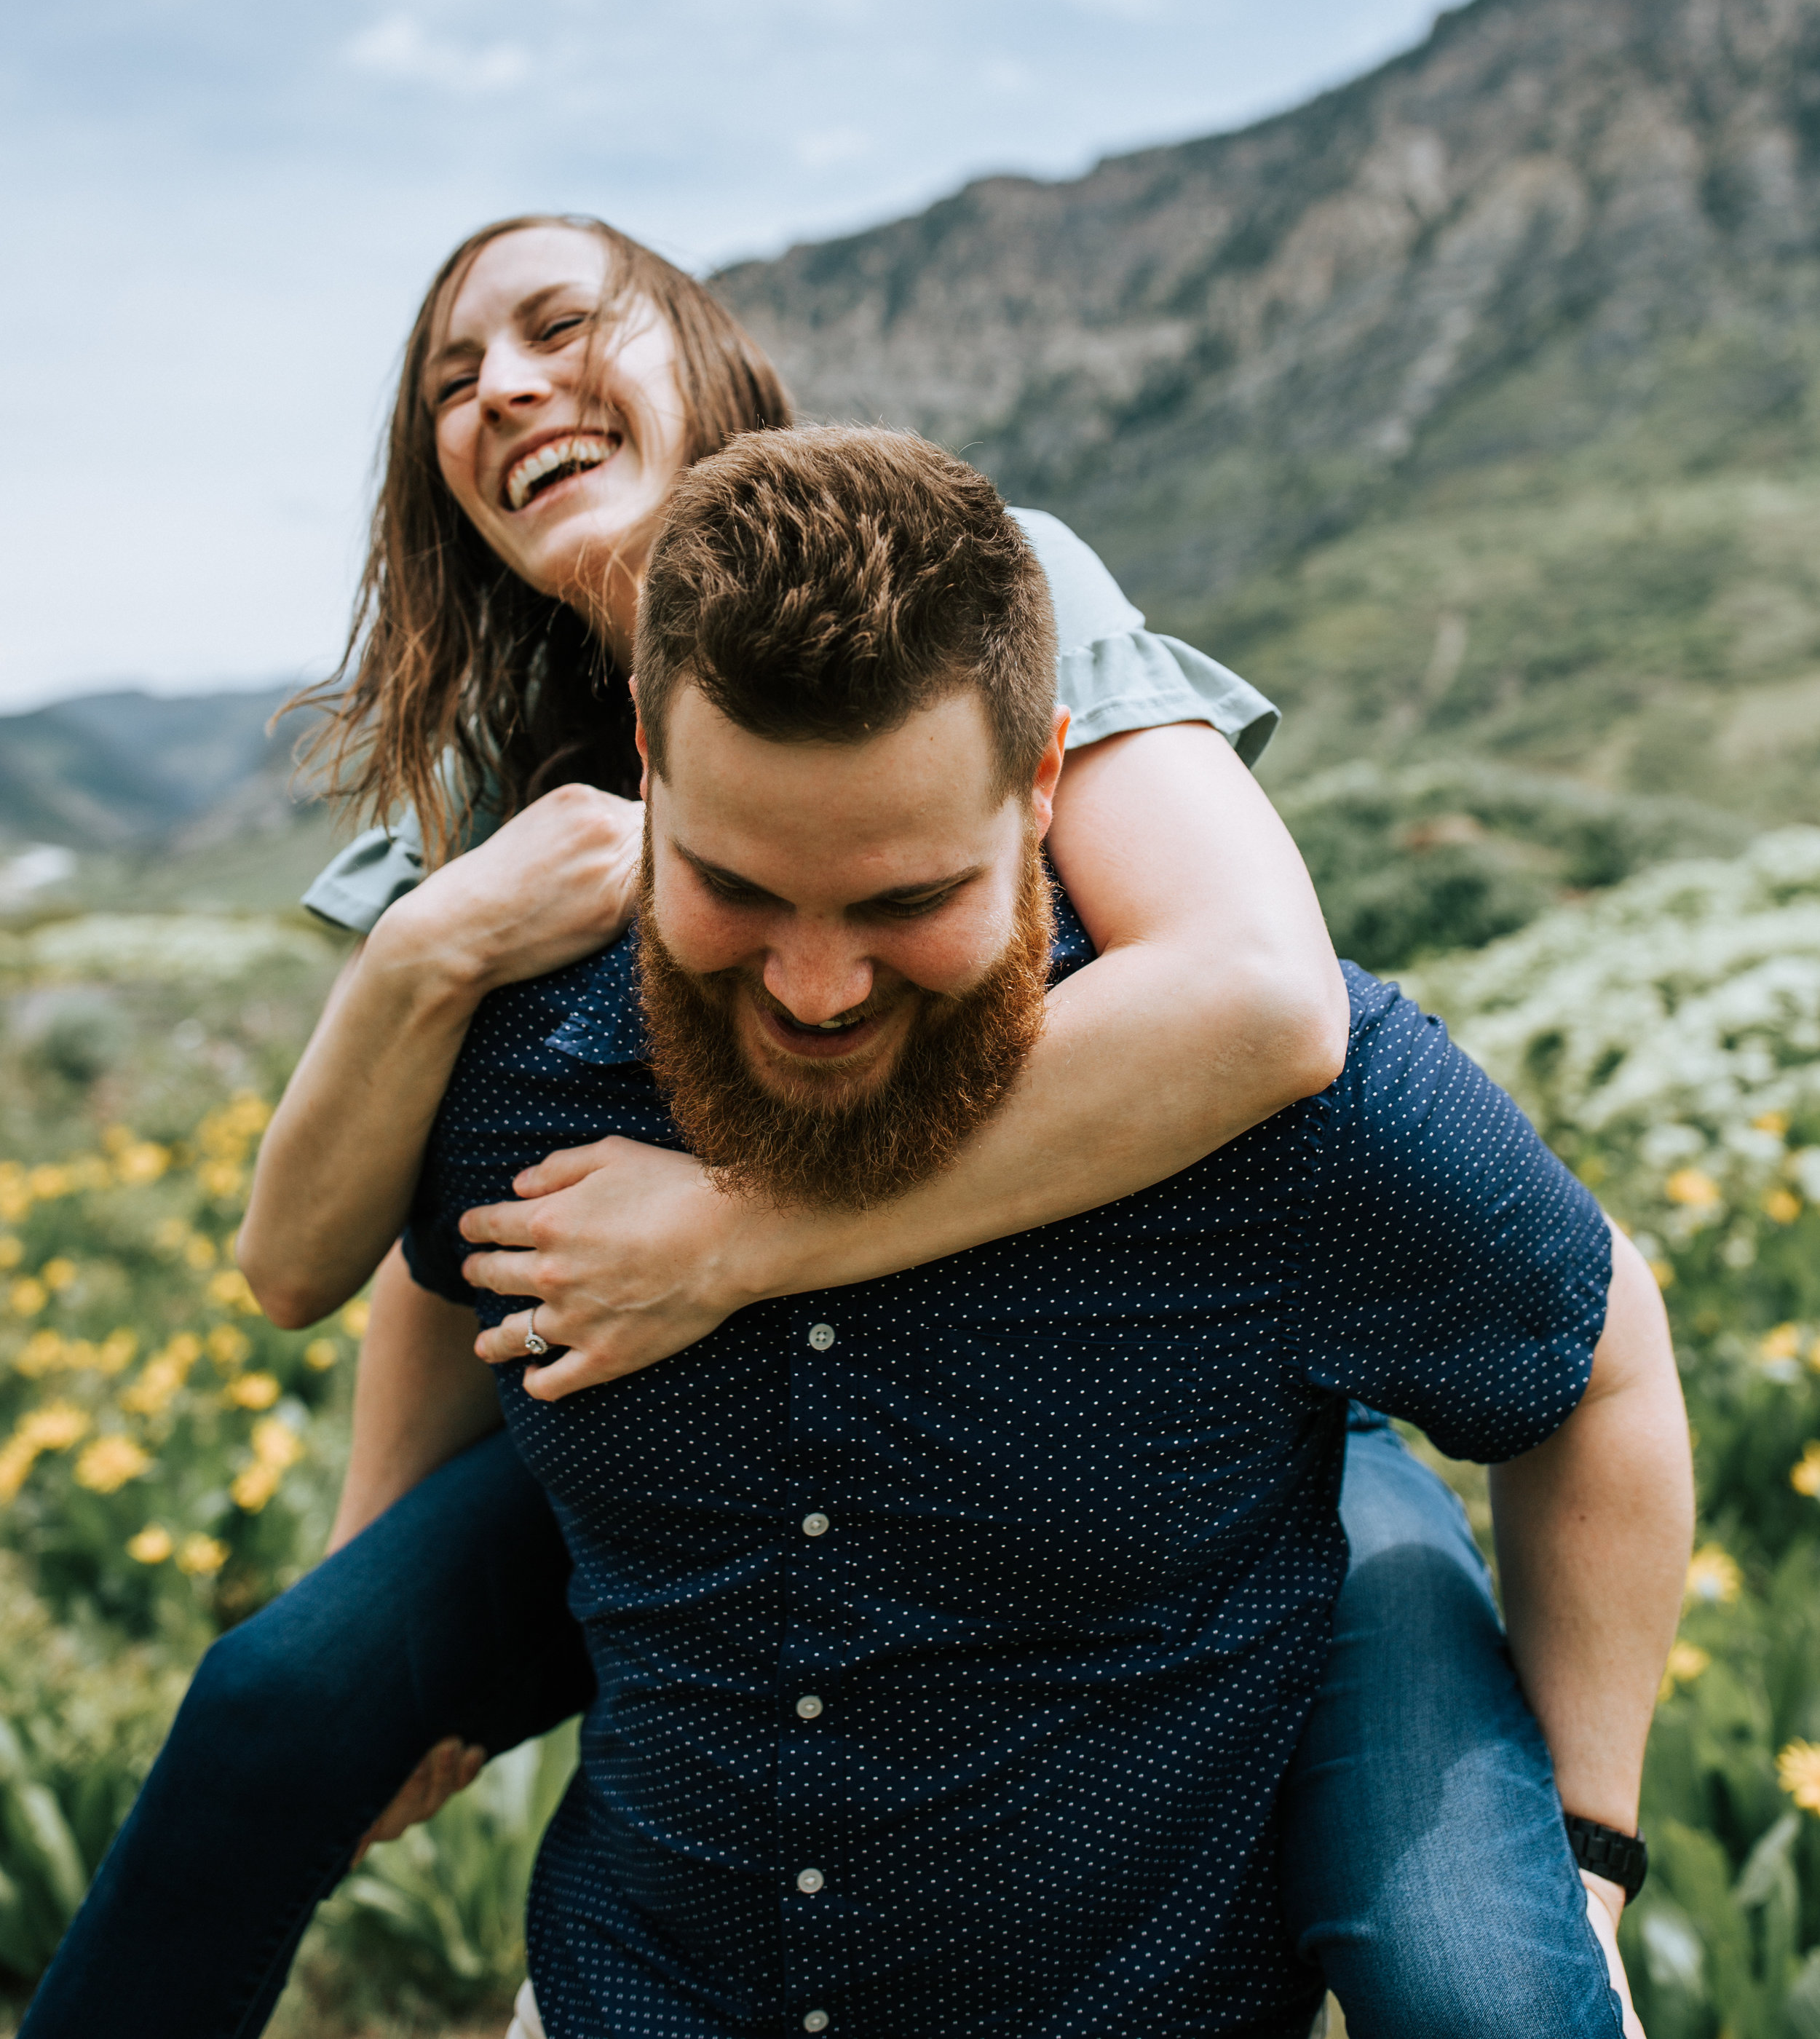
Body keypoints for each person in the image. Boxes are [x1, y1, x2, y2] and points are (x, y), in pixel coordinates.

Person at [15, 221, 1653, 2038]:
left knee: (1481, 1971)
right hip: (687, 1400)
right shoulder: (495, 785)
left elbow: (1259, 1006)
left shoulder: (960, 580)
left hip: (1170, 1366)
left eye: (563, 327)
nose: (505, 388)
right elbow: (413, 1238)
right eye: (451, 380)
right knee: (282, 1700)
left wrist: (734, 1233)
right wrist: (432, 950)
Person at [397, 425, 1691, 2039]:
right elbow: (391, 1282)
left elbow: (1598, 1360)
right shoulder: (522, 1079)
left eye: (898, 903)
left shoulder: (1284, 1129)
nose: (813, 990)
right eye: (737, 887)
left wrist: (1579, 1858)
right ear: (649, 756)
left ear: (1044, 778)